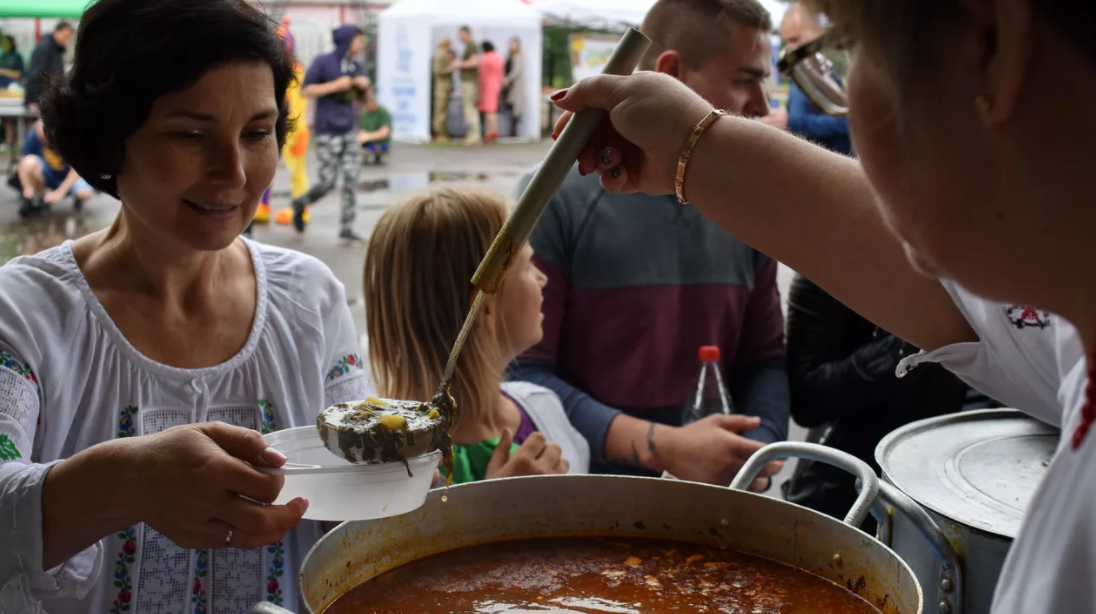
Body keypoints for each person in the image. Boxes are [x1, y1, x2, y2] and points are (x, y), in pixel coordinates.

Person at [549, 0, 1096, 611]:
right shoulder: (1074, 327)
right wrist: (689, 142)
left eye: (849, 56)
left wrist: (693, 144)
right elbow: (930, 286)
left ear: (994, 45)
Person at [0, 1, 373, 612]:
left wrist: (394, 489)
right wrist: (130, 481)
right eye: (191, 135)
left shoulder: (311, 300)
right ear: (109, 139)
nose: (234, 172)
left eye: (257, 133)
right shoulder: (24, 315)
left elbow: (353, 506)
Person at [511, 0, 787, 489]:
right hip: (589, 497)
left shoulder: (755, 200)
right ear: (672, 74)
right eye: (745, 80)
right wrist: (666, 447)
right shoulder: (556, 193)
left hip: (721, 496)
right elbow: (523, 377)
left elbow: (764, 358)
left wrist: (757, 450)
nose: (763, 106)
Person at [364, 188, 588, 483]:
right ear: (483, 307)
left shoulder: (541, 405)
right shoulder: (394, 472)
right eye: (529, 265)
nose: (542, 278)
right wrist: (498, 504)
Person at [781, 274, 968, 532]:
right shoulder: (830, 265)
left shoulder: (972, 273)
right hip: (842, 493)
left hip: (941, 488)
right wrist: (913, 345)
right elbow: (808, 400)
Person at [290, 25, 371, 241]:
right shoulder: (323, 62)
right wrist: (335, 85)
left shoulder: (356, 65)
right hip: (327, 131)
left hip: (349, 130)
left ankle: (346, 228)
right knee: (328, 181)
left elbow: (366, 102)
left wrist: (365, 86)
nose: (361, 45)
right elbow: (306, 90)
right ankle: (300, 203)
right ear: (347, 40)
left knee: (352, 179)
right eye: (358, 40)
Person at [760, 3, 852, 155]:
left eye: (795, 39)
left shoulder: (827, 68)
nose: (789, 48)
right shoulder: (803, 70)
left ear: (817, 33)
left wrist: (790, 122)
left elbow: (847, 121)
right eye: (787, 41)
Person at [15, 120, 93, 217]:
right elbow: (23, 161)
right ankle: (41, 197)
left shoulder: (69, 138)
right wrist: (27, 189)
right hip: (48, 172)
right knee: (29, 162)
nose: (43, 140)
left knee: (85, 193)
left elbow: (77, 169)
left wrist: (59, 193)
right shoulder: (34, 135)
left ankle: (77, 198)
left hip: (68, 174)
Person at [24, 22, 72, 114]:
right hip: (40, 100)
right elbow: (35, 74)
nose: (67, 39)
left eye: (69, 37)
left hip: (48, 99)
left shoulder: (56, 49)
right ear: (57, 32)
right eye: (65, 36)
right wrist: (32, 100)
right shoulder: (45, 48)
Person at [452, 26, 481, 145]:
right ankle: (471, 134)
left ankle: (474, 135)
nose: (459, 37)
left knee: (469, 108)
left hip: (469, 81)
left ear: (466, 33)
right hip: (467, 81)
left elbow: (475, 62)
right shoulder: (469, 46)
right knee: (467, 108)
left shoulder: (472, 46)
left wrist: (459, 64)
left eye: (460, 34)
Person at [0, 35, 25, 151]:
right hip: (2, 91)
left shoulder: (16, 57)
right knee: (6, 118)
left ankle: (16, 141)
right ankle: (8, 141)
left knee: (13, 118)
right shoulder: (2, 56)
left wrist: (4, 72)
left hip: (13, 90)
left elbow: (20, 74)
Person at [478, 41, 504, 143]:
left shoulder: (485, 58)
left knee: (489, 110)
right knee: (493, 109)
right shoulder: (498, 57)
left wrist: (479, 87)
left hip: (487, 85)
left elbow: (482, 74)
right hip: (496, 85)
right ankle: (492, 131)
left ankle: (491, 132)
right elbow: (501, 73)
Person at [358, 92, 392, 165]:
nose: (365, 106)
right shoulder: (366, 113)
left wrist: (367, 137)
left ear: (373, 102)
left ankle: (376, 156)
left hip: (381, 143)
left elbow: (384, 133)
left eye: (366, 103)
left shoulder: (383, 113)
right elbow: (362, 130)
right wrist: (360, 137)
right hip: (367, 143)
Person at [502, 37, 525, 138]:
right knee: (509, 109)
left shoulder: (519, 56)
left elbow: (516, 71)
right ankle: (510, 130)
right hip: (508, 87)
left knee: (515, 110)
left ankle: (514, 131)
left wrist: (507, 79)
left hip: (515, 87)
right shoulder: (509, 57)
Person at [432, 37, 453, 142]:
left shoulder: (442, 54)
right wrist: (451, 68)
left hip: (444, 86)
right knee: (440, 111)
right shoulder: (440, 55)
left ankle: (442, 132)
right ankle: (439, 133)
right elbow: (438, 71)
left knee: (443, 111)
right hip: (441, 87)